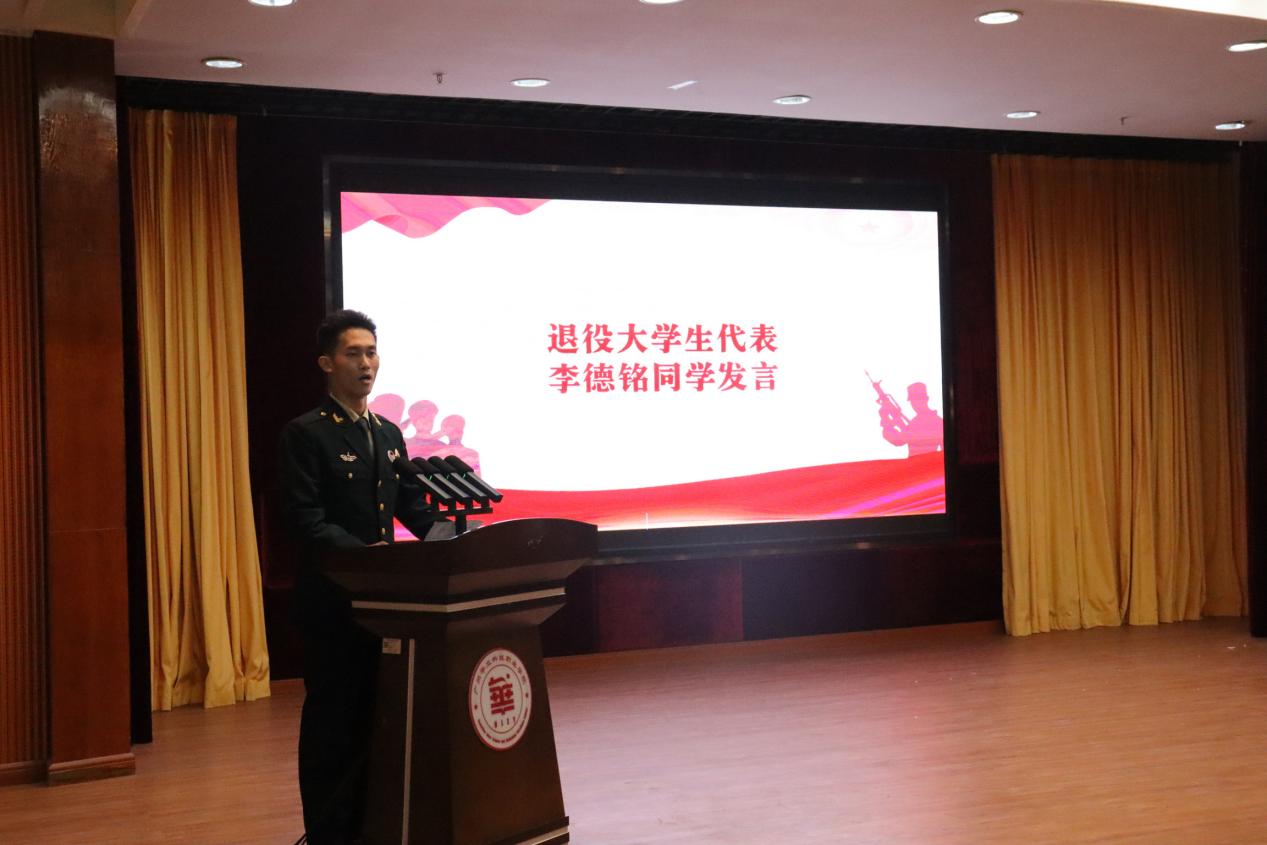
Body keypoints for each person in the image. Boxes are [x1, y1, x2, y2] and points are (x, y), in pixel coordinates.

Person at [278, 309, 437, 845]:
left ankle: (372, 827)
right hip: (332, 604)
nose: (366, 363)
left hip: (386, 606)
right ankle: (326, 834)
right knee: (333, 724)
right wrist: (363, 556)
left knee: (378, 720)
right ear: (327, 363)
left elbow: (411, 506)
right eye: (353, 353)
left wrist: (455, 539)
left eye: (371, 352)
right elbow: (304, 518)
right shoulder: (306, 434)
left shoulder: (388, 433)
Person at [879, 381, 944, 457]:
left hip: (922, 463)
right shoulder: (937, 421)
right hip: (924, 462)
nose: (915, 404)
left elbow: (898, 440)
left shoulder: (922, 422)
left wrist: (886, 420)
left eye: (918, 399)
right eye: (913, 401)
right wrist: (896, 421)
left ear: (926, 399)